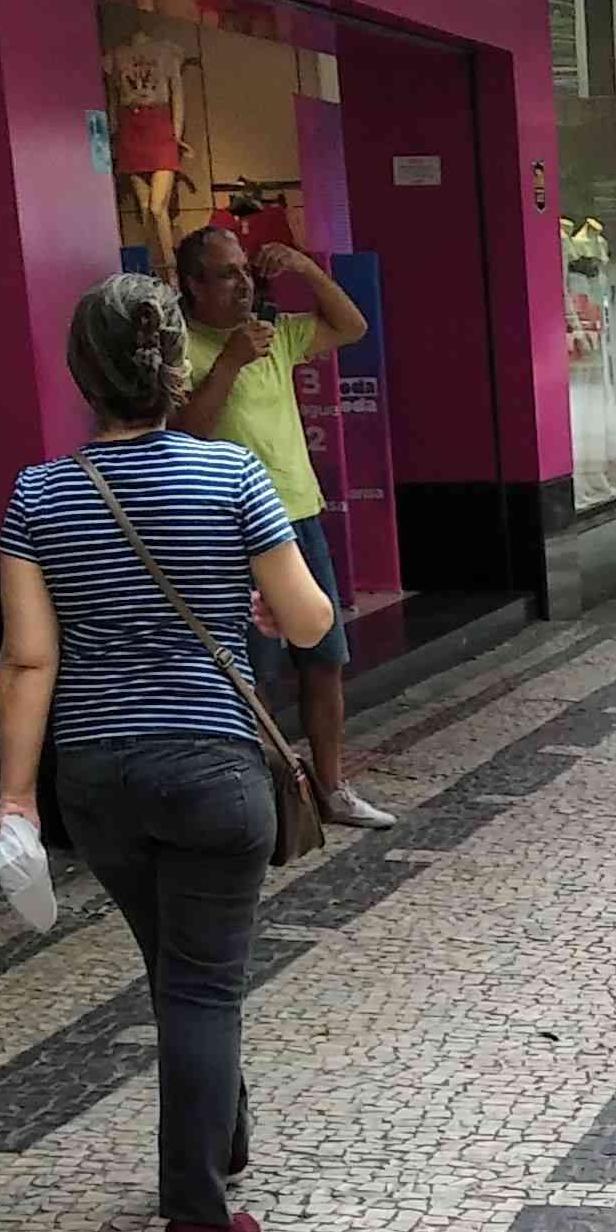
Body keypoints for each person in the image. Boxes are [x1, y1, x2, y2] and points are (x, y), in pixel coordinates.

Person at [0, 274, 337, 1232]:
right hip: (211, 767)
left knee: (176, 971)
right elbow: (309, 621)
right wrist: (263, 605)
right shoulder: (231, 474)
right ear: (178, 368)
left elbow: (28, 660)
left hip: (96, 777)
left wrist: (16, 798)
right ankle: (197, 1217)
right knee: (203, 984)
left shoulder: (37, 496)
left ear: (81, 376)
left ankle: (222, 1141)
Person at [172, 222, 393, 831]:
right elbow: (185, 431)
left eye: (246, 271)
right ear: (193, 285)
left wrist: (303, 267)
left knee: (323, 657)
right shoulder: (183, 346)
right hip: (230, 530)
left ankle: (332, 788)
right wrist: (230, 361)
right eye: (226, 275)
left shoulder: (276, 333)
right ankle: (273, 795)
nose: (242, 284)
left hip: (298, 516)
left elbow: (353, 326)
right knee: (253, 672)